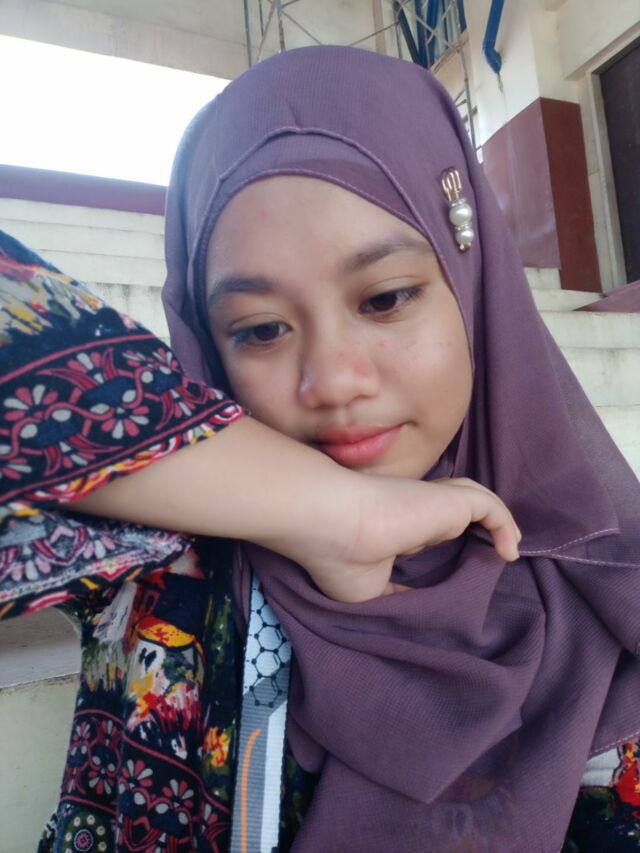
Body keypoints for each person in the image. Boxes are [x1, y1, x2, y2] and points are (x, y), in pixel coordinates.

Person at [1, 44, 639, 851]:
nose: (333, 380)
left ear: (474, 283)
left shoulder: (604, 597)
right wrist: (333, 512)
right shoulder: (167, 566)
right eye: (261, 329)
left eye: (386, 298)